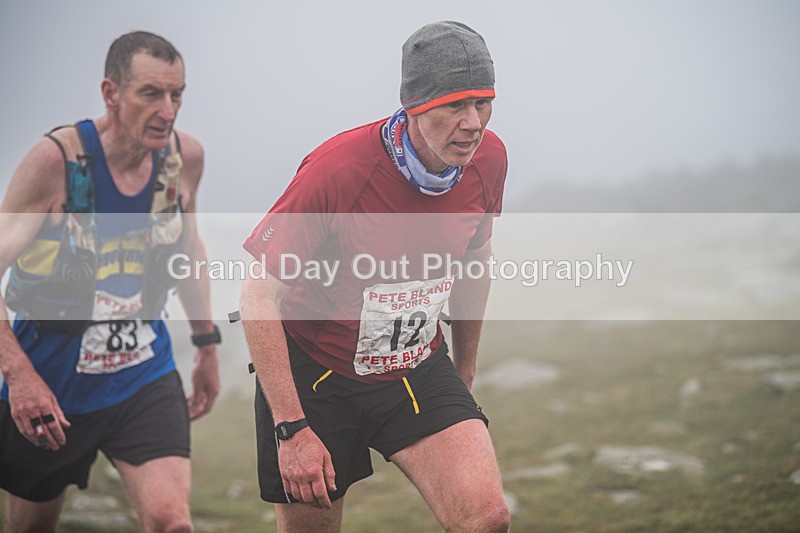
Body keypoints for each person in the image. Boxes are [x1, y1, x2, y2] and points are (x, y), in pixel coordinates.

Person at [240, 21, 509, 532]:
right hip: (317, 376)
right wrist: (290, 427)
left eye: (484, 101)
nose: (473, 122)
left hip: (416, 365)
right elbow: (258, 295)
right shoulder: (337, 170)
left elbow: (476, 259)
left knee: (487, 518)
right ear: (413, 104)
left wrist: (465, 370)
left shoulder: (488, 158)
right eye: (455, 104)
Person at [0, 31, 220, 532]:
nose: (168, 110)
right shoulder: (55, 162)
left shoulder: (184, 158)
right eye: (151, 94)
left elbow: (188, 247)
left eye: (177, 94)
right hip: (51, 379)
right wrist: (19, 376)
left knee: (173, 523)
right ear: (111, 93)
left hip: (142, 372)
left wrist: (207, 345)